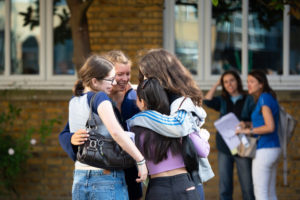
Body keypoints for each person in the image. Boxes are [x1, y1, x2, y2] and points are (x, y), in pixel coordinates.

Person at [127, 48, 214, 200]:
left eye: (147, 75)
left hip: (163, 184)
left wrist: (139, 117)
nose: (145, 80)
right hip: (185, 183)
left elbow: (179, 126)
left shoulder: (179, 106)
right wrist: (203, 136)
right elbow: (201, 148)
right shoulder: (176, 104)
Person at [59, 51, 143, 200]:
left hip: (111, 174)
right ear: (96, 80)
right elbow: (66, 133)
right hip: (107, 173)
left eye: (127, 74)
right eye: (117, 75)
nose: (121, 80)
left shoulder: (135, 97)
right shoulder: (97, 98)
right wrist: (73, 138)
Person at [203, 70, 255, 200]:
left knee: (247, 186)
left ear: (237, 81)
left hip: (242, 146)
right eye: (225, 82)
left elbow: (256, 121)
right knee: (225, 187)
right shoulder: (222, 100)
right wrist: (217, 84)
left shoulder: (248, 98)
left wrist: (246, 124)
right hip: (225, 147)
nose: (229, 84)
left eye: (231, 80)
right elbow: (207, 100)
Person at [236, 70, 281, 200]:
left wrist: (247, 131)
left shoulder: (263, 98)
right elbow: (264, 123)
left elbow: (270, 126)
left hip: (265, 150)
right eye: (247, 82)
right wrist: (248, 124)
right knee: (270, 193)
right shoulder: (267, 97)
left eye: (252, 82)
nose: (248, 85)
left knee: (261, 194)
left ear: (261, 84)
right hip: (273, 148)